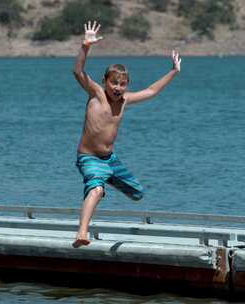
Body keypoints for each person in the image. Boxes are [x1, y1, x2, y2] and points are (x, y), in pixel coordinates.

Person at [71, 21, 181, 248]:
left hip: (110, 160)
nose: (117, 88)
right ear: (104, 82)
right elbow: (78, 71)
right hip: (89, 158)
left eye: (122, 84)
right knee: (96, 189)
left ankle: (106, 176)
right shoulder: (96, 94)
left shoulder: (125, 100)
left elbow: (151, 91)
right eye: (113, 83)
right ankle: (82, 233)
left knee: (137, 193)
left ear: (127, 86)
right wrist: (86, 46)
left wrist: (173, 72)